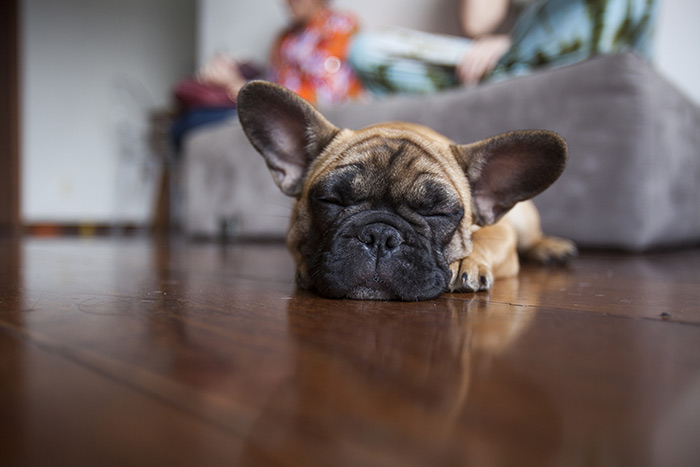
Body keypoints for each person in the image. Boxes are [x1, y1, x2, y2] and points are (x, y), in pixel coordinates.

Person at [349, 0, 659, 96]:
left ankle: (612, 80)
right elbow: (477, 24)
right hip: (520, 60)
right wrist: (510, 44)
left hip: (601, 50)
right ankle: (518, 77)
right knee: (364, 49)